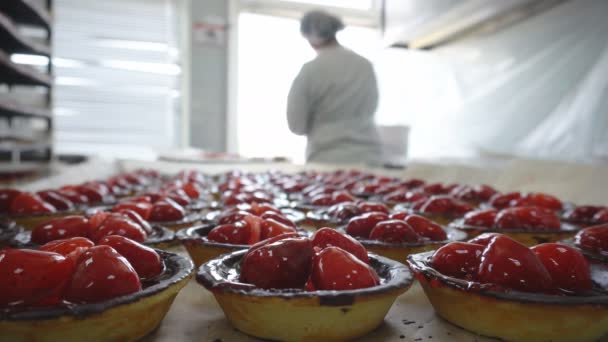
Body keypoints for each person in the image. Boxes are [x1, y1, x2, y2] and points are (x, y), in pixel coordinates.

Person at [287, 10, 382, 164]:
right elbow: (372, 106)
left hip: (326, 158)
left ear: (310, 35)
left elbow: (296, 125)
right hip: (369, 156)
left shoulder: (311, 70)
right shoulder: (365, 65)